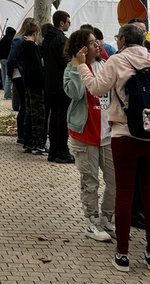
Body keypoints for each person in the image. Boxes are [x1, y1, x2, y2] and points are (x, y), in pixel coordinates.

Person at [73, 22, 150, 273]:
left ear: (123, 39)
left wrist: (81, 65)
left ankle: (123, 255)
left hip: (125, 133)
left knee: (124, 192)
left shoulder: (117, 60)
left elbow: (95, 88)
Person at [63, 28, 115, 243]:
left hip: (108, 133)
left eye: (97, 41)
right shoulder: (70, 69)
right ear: (82, 48)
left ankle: (106, 217)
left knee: (114, 180)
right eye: (92, 42)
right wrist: (77, 65)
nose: (97, 45)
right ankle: (92, 221)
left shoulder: (104, 65)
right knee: (90, 181)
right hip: (84, 133)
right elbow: (74, 93)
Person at [42, 10, 75, 164]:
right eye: (68, 22)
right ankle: (62, 150)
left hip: (49, 84)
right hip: (61, 85)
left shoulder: (47, 39)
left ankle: (54, 151)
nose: (69, 24)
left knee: (54, 118)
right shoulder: (61, 40)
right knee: (61, 119)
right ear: (61, 23)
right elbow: (65, 61)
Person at [20, 21, 47, 155]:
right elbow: (37, 67)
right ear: (35, 33)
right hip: (36, 83)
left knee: (29, 112)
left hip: (27, 82)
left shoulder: (23, 45)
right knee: (38, 113)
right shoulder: (33, 47)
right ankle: (38, 143)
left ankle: (27, 142)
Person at [0, 26, 16, 99]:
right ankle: (7, 94)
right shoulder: (11, 40)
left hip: (2, 59)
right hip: (8, 59)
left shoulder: (2, 40)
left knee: (4, 76)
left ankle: (5, 91)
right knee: (8, 77)